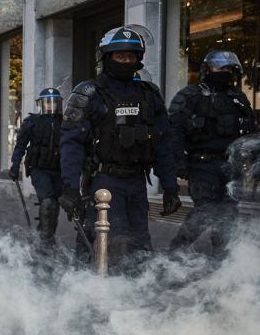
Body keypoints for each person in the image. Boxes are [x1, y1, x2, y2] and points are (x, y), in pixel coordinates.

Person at [58, 25, 179, 263]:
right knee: (114, 243)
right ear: (107, 57)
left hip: (136, 182)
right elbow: (71, 144)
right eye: (120, 56)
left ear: (138, 60)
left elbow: (164, 143)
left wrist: (170, 186)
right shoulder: (88, 93)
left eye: (131, 56)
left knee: (141, 245)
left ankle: (133, 294)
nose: (126, 61)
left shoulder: (149, 95)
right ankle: (97, 292)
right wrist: (70, 188)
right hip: (104, 181)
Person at [165, 50, 257, 254]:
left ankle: (220, 261)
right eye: (220, 68)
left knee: (229, 216)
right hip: (202, 166)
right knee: (204, 212)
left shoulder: (238, 98)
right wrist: (179, 162)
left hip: (232, 166)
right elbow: (174, 131)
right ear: (207, 70)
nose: (225, 72)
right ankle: (176, 253)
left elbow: (251, 132)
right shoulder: (190, 95)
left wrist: (258, 163)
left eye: (228, 68)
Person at [9, 88, 64, 242]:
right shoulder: (32, 122)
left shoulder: (65, 124)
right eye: (47, 102)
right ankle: (45, 241)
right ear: (41, 104)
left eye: (54, 102)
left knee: (54, 204)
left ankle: (48, 234)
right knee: (47, 201)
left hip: (58, 171)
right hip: (39, 170)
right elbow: (20, 145)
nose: (50, 105)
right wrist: (15, 166)